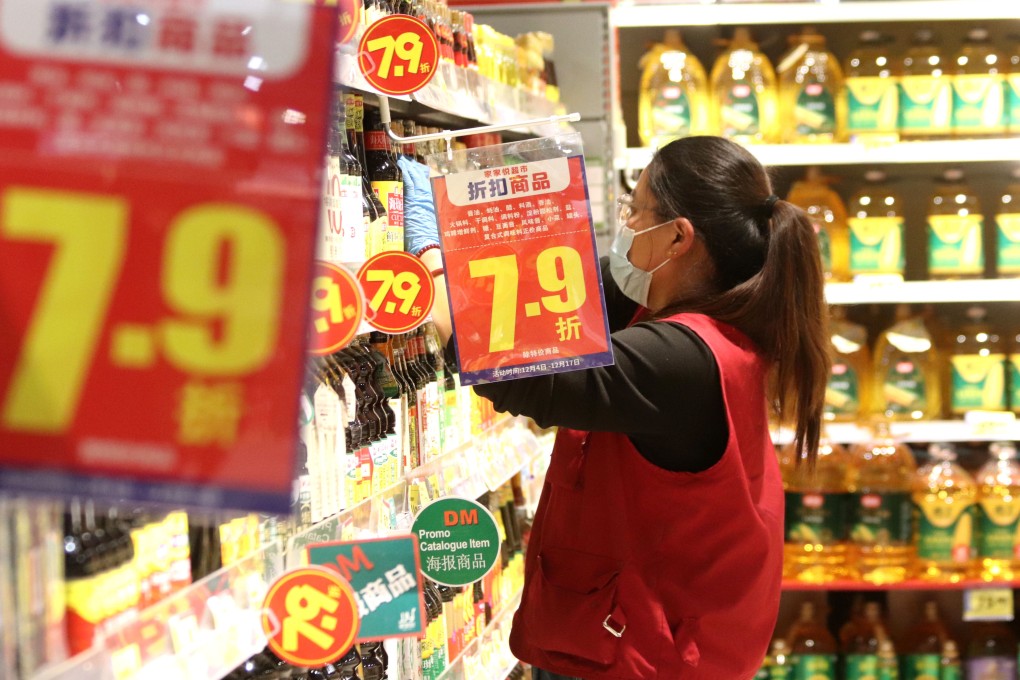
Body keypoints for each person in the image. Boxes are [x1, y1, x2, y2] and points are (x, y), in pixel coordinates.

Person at [398, 136, 829, 679]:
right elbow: (557, 284)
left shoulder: (683, 360)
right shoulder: (681, 304)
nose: (624, 223)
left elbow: (506, 366)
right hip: (628, 636)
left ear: (677, 237)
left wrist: (429, 261)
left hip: (650, 656)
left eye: (635, 209)